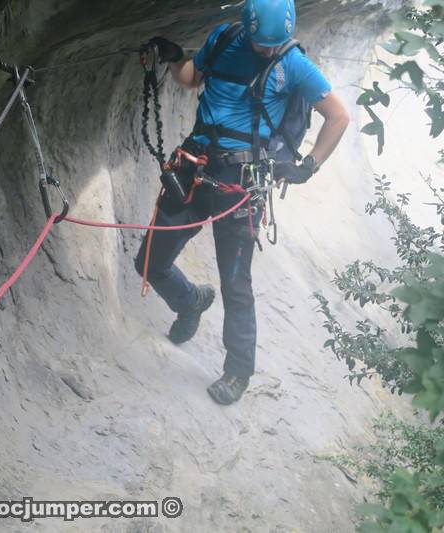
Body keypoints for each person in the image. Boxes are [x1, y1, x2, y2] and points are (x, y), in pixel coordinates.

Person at [135, 0, 350, 405]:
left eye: (275, 44)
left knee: (235, 283)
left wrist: (309, 166)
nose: (269, 50)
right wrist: (174, 55)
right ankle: (190, 301)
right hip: (194, 167)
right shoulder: (226, 37)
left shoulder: (295, 64)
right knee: (149, 260)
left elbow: (337, 116)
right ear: (247, 29)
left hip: (242, 183)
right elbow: (190, 78)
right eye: (262, 44)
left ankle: (237, 372)